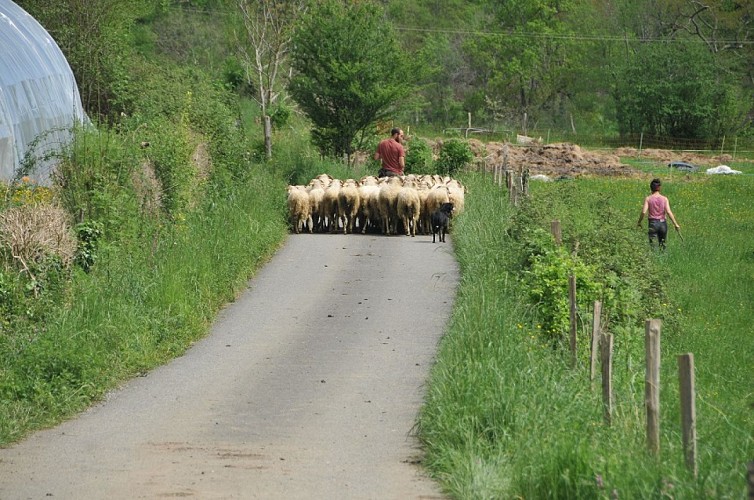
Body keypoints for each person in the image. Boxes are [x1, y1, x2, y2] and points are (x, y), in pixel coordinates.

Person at [637, 178, 680, 250]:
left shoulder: (648, 199)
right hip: (663, 223)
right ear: (659, 188)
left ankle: (654, 259)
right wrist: (676, 224)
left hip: (653, 223)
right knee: (663, 245)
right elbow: (669, 212)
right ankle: (663, 259)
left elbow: (644, 212)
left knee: (653, 246)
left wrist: (639, 222)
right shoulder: (664, 199)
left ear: (651, 188)